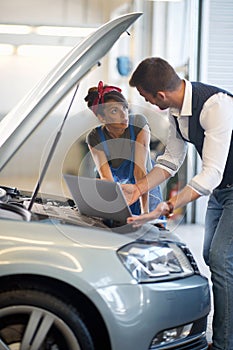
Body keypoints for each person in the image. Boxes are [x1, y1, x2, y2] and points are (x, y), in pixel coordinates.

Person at [122, 57, 233, 350]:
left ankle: (224, 344)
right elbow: (171, 159)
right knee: (212, 255)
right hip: (222, 190)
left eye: (145, 97)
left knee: (222, 260)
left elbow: (210, 173)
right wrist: (139, 188)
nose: (146, 102)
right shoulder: (175, 110)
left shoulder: (216, 106)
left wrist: (168, 206)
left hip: (224, 184)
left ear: (159, 95)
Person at [84, 80, 163, 216]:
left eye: (125, 108)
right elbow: (107, 179)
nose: (124, 115)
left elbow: (140, 172)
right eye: (115, 110)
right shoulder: (95, 137)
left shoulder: (139, 123)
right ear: (101, 117)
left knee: (152, 232)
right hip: (120, 192)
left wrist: (145, 213)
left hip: (146, 189)